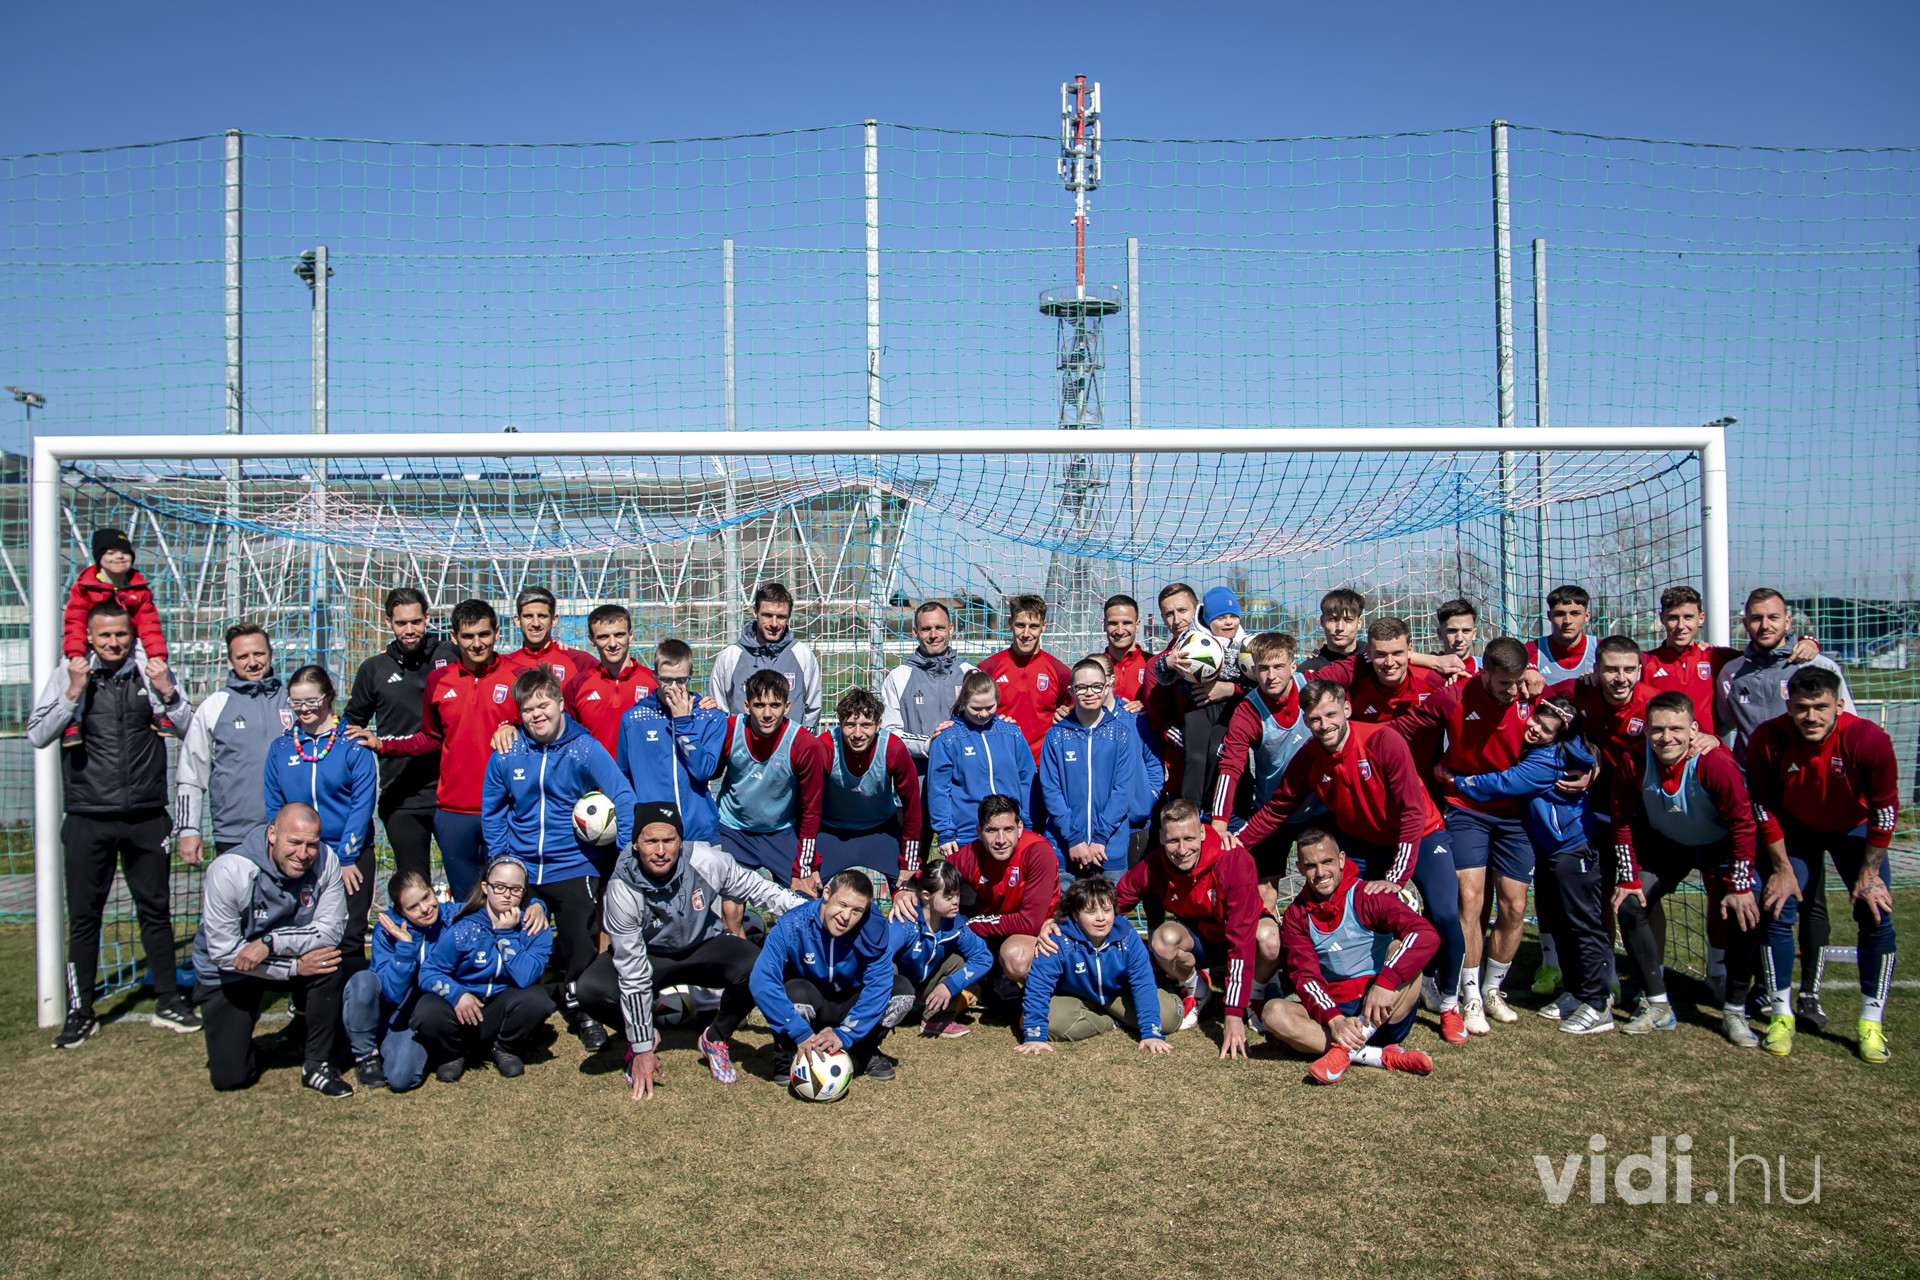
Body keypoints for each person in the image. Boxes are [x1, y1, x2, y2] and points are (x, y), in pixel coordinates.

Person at [1235, 679, 1467, 1043]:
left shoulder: (1382, 740)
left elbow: (1411, 809)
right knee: (1337, 910)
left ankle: (1450, 1003)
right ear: (1306, 721)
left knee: (1445, 913)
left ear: (1346, 709)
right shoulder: (1310, 757)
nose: (1324, 725)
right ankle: (1345, 992)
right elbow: (1277, 808)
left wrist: (1397, 877)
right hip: (1361, 842)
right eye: (1314, 719)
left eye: (1330, 715)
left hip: (1420, 835)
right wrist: (1234, 846)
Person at [28, 599, 198, 1047]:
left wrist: (168, 691)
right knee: (85, 917)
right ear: (89, 636)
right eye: (104, 635)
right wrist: (71, 692)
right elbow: (37, 733)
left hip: (146, 815)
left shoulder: (151, 672)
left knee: (156, 912)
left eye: (121, 633)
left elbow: (192, 730)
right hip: (88, 817)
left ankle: (168, 1001)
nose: (113, 642)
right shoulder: (70, 674)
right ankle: (80, 1011)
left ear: (133, 634)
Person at [576, 801, 808, 1092]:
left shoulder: (704, 860)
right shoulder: (622, 889)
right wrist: (641, 1046)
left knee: (758, 968)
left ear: (681, 842)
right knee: (591, 989)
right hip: (650, 954)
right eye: (651, 841)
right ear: (635, 844)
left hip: (704, 944)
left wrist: (807, 911)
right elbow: (633, 973)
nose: (661, 850)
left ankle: (715, 1037)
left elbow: (756, 887)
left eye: (669, 840)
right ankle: (642, 1036)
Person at [1747, 666, 1900, 1065]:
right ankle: (1781, 1015)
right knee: (1777, 907)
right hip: (1795, 828)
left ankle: (1871, 1022)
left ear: (1839, 705)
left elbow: (1885, 810)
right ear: (1789, 706)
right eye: (1802, 707)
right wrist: (1782, 869)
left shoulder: (1868, 739)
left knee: (1876, 912)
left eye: (1821, 707)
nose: (1811, 716)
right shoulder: (1769, 738)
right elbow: (1763, 807)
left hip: (1854, 828)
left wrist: (1869, 873)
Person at [1715, 587, 1852, 1030]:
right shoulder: (1731, 673)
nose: (1765, 625)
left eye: (1773, 617)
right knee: (1765, 894)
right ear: (1744, 623)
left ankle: (1809, 992)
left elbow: (1847, 724)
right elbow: (1722, 726)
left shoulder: (1816, 665)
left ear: (1788, 621)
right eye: (1756, 618)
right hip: (1760, 803)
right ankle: (1767, 987)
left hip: (1811, 799)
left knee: (1810, 897)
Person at [481, 666, 635, 1050]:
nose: (537, 715)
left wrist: (625, 853)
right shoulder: (508, 752)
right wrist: (502, 864)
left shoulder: (584, 748)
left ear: (561, 703)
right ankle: (522, 1012)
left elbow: (623, 796)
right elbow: (493, 811)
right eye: (528, 709)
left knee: (579, 943)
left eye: (543, 705)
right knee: (518, 937)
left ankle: (586, 1011)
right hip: (522, 870)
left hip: (574, 865)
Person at [1442, 696, 1614, 1035]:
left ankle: (1598, 1003)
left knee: (1583, 924)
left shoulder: (1548, 759)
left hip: (1573, 848)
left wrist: (1457, 781)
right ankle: (1576, 992)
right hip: (1551, 849)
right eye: (1536, 721)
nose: (1536, 730)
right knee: (1561, 923)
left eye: (1547, 730)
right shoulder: (1552, 747)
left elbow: (1503, 784)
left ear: (1559, 736)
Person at [1392, 637, 1539, 1032]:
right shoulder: (1453, 697)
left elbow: (1571, 719)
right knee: (1469, 898)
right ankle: (1469, 994)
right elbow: (1399, 729)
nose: (1512, 690)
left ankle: (1492, 990)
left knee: (1514, 905)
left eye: (1517, 681)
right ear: (1484, 673)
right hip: (1465, 809)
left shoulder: (1533, 695)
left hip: (1516, 814)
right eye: (1504, 682)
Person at [1608, 691, 1764, 1046]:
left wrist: (1740, 886)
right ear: (1646, 730)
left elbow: (1743, 824)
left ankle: (1735, 1011)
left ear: (1694, 730)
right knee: (1630, 903)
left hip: (1720, 846)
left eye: (1676, 729)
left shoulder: (1714, 763)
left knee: (1746, 910)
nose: (1667, 737)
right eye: (1658, 729)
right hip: (1670, 846)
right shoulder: (1633, 761)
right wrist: (1628, 877)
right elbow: (1622, 820)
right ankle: (1658, 1005)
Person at [356, 599, 521, 902]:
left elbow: (544, 731)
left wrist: (514, 726)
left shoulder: (519, 676)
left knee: (509, 899)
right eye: (468, 636)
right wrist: (384, 745)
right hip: (454, 811)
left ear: (497, 633)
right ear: (454, 637)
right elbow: (430, 738)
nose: (477, 643)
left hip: (506, 808)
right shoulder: (439, 679)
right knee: (466, 902)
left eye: (484, 634)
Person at [189, 804, 347, 1095]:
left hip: (278, 954)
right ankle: (239, 1039)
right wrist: (293, 967)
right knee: (230, 1078)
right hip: (232, 969)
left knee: (329, 962)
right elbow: (224, 953)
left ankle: (317, 1065)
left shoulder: (328, 860)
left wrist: (271, 942)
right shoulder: (229, 869)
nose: (303, 854)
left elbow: (331, 930)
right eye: (294, 842)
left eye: (311, 844)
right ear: (272, 834)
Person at [1264, 828, 1438, 1084]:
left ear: (1342, 860)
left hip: (1384, 1007)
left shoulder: (1369, 895)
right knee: (1273, 1012)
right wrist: (1334, 1020)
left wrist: (1386, 982)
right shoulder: (1295, 915)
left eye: (1327, 862)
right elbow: (1305, 975)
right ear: (1299, 868)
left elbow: (1426, 934)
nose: (1320, 872)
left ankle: (1346, 1050)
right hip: (1337, 1013)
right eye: (1310, 866)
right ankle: (1377, 1056)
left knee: (1402, 950)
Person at [1117, 800, 1280, 1057]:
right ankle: (1198, 989)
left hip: (1243, 936)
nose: (1182, 850)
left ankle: (1254, 995)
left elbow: (1241, 939)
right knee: (1162, 940)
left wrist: (1233, 1013)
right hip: (1201, 938)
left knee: (1270, 939)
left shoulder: (1234, 859)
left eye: (1189, 838)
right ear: (1161, 837)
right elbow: (1114, 903)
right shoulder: (1154, 864)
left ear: (1202, 832)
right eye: (1173, 841)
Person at [749, 868, 914, 1083]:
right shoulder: (792, 924)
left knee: (902, 992)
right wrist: (799, 1032)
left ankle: (864, 1045)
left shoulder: (874, 929)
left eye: (856, 911)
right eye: (842, 904)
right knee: (794, 991)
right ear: (827, 893)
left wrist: (846, 1034)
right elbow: (762, 980)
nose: (846, 916)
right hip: (810, 1001)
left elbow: (879, 983)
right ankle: (788, 1050)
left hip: (850, 1001)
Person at [263, 664, 379, 961]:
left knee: (349, 933)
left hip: (347, 854)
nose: (304, 709)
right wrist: (281, 848)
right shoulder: (281, 748)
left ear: (328, 696)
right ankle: (305, 990)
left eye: (311, 701)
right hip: (300, 853)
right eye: (296, 702)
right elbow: (275, 804)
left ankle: (351, 989)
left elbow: (362, 805)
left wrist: (347, 856)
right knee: (301, 930)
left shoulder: (352, 745)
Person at [343, 586, 457, 885]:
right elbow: (351, 723)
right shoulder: (374, 669)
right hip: (401, 797)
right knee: (415, 887)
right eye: (401, 623)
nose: (409, 630)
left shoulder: (451, 654)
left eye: (416, 622)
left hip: (451, 794)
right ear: (388, 622)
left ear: (427, 618)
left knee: (467, 885)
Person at [413, 853, 556, 1081]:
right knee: (426, 1009)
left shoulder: (534, 927)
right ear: (485, 887)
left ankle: (504, 1048)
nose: (507, 895)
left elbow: (526, 977)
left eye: (515, 889)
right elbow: (428, 972)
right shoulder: (463, 926)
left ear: (524, 892)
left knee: (537, 999)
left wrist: (506, 935)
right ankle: (453, 1053)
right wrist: (457, 995)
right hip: (463, 1007)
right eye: (499, 887)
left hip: (501, 1007)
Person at [899, 795, 1059, 993]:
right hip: (992, 927)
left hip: (1037, 931)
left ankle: (1042, 998)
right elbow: (929, 878)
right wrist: (905, 892)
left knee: (1015, 957)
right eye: (992, 831)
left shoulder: (1038, 851)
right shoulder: (973, 853)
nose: (1001, 840)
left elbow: (1029, 922)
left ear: (1020, 828)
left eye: (1008, 829)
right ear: (979, 832)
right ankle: (971, 989)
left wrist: (968, 926)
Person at [1209, 632, 1326, 880]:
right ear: (1254, 670)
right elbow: (1230, 767)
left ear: (1293, 666)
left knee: (1326, 879)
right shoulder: (1248, 711)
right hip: (1273, 811)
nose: (1271, 676)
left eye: (1278, 667)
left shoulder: (1313, 685)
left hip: (1320, 809)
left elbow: (1352, 669)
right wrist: (1219, 823)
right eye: (1263, 668)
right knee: (1264, 889)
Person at [1018, 874, 1179, 1053]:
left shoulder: (1128, 937)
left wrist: (1151, 1033)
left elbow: (1143, 983)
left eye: (1106, 910)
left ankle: (1159, 1002)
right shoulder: (1057, 939)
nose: (1101, 918)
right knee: (1048, 1023)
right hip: (1076, 999)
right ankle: (1112, 1022)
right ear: (1075, 915)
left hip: (1120, 996)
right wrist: (1034, 1036)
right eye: (1091, 912)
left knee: (1168, 1018)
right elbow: (1039, 984)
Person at [1641, 585, 1817, 739]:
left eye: (1688, 617)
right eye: (1673, 617)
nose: (1681, 625)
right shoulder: (1646, 662)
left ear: (1701, 618)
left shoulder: (1716, 657)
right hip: (1663, 747)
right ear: (1662, 618)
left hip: (1706, 753)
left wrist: (1808, 642)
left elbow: (1765, 654)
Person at [177, 623, 290, 862]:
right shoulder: (214, 706)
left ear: (271, 655)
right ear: (231, 661)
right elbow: (191, 774)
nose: (252, 662)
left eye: (258, 654)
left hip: (292, 832)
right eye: (243, 656)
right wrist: (188, 830)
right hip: (235, 834)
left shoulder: (294, 701)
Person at [880, 600, 974, 868]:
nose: (933, 634)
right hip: (914, 791)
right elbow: (890, 736)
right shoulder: (899, 677)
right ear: (915, 632)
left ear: (951, 629)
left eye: (940, 627)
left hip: (961, 793)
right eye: (926, 629)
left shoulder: (970, 674)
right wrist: (929, 745)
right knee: (909, 869)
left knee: (963, 870)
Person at [712, 669, 823, 892]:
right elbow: (705, 772)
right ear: (746, 706)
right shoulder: (729, 730)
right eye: (759, 705)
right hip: (733, 829)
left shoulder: (803, 744)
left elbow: (811, 810)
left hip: (780, 831)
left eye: (775, 705)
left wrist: (805, 866)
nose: (767, 713)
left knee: (802, 897)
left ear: (787, 707)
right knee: (729, 906)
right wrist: (699, 717)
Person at [341, 869, 450, 1091]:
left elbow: (486, 908)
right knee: (363, 981)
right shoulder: (386, 930)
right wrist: (405, 949)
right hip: (390, 1010)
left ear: (433, 891)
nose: (425, 908)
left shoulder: (452, 917)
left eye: (427, 897)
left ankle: (419, 1047)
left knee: (401, 1079)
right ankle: (366, 1056)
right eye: (413, 907)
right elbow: (393, 993)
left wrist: (531, 908)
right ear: (400, 911)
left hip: (419, 1017)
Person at [59, 528, 169, 749]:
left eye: (124, 552)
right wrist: (75, 653)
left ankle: (159, 712)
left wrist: (157, 655)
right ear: (99, 558)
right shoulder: (84, 587)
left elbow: (149, 625)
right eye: (110, 552)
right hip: (93, 644)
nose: (119, 557)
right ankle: (73, 720)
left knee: (151, 665)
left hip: (129, 641)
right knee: (72, 669)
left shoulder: (139, 589)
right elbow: (75, 622)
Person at [806, 688, 923, 891]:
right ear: (839, 723)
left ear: (878, 725)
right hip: (831, 831)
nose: (858, 734)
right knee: (806, 889)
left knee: (908, 891)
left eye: (866, 725)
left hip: (881, 830)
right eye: (850, 725)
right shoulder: (824, 747)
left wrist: (910, 864)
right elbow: (807, 806)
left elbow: (912, 807)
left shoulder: (893, 748)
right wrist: (810, 863)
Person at [615, 638, 728, 843]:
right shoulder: (634, 720)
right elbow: (623, 778)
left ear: (691, 674)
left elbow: (703, 771)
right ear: (654, 674)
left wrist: (683, 724)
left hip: (700, 835)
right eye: (666, 680)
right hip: (654, 837)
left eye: (681, 680)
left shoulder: (710, 716)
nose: (673, 688)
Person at [1038, 656, 1137, 883]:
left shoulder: (1121, 734)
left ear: (1106, 687)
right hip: (1067, 847)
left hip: (1108, 848)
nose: (1089, 692)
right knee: (1066, 906)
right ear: (1071, 691)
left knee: (1108, 906)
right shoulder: (1056, 736)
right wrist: (1073, 839)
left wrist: (1101, 838)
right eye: (1082, 687)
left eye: (1096, 686)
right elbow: (1051, 791)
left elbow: (1123, 791)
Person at [927, 670, 1034, 854]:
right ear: (963, 702)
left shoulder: (1011, 732)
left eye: (990, 707)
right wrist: (945, 832)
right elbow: (938, 789)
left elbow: (1027, 780)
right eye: (975, 709)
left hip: (1010, 832)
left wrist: (1027, 822)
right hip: (967, 835)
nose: (983, 714)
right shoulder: (948, 738)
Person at [890, 859, 993, 1039]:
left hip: (924, 986)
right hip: (898, 986)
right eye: (948, 897)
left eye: (957, 894)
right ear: (926, 896)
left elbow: (983, 957)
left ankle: (936, 1018)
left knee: (958, 961)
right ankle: (880, 1016)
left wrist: (950, 985)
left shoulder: (955, 925)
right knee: (886, 965)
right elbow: (876, 957)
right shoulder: (906, 922)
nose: (956, 902)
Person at [704, 581, 824, 733]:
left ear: (789, 616)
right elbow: (720, 710)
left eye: (780, 617)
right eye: (767, 615)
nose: (774, 624)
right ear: (755, 612)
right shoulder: (730, 657)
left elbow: (812, 710)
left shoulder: (802, 654)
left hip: (790, 746)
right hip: (743, 747)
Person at [977, 592, 1073, 762]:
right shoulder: (988, 669)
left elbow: (1072, 712)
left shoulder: (1061, 672)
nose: (1026, 633)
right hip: (998, 762)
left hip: (1042, 765)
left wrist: (1068, 712)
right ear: (1010, 623)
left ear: (1044, 626)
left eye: (1033, 626)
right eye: (1020, 625)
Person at [562, 603, 658, 754]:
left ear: (630, 635)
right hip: (593, 770)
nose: (612, 644)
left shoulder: (654, 682)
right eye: (603, 637)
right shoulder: (577, 686)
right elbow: (562, 737)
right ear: (591, 639)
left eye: (619, 635)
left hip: (641, 769)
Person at [499, 585, 594, 682]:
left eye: (542, 616)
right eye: (528, 616)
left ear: (554, 620)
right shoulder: (504, 665)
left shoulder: (579, 661)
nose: (536, 624)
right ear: (517, 621)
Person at [1527, 584, 1599, 683]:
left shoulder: (1602, 650)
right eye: (1560, 614)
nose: (1567, 621)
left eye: (1575, 614)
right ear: (1549, 616)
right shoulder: (1530, 652)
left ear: (1587, 616)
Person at [1097, 594, 1151, 708]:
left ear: (1137, 625)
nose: (1120, 631)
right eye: (1113, 623)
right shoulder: (1093, 666)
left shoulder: (1152, 664)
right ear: (1104, 625)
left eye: (1127, 623)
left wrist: (1149, 706)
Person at [1299, 587, 1365, 674]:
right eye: (1333, 619)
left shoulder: (1374, 657)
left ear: (1359, 623)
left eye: (1348, 620)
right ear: (1322, 621)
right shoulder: (1311, 670)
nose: (1340, 628)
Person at [1434, 598, 1481, 681]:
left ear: (1474, 634)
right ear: (1440, 634)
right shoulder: (1428, 670)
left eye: (1466, 631)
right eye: (1452, 631)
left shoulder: (1488, 668)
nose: (1459, 638)